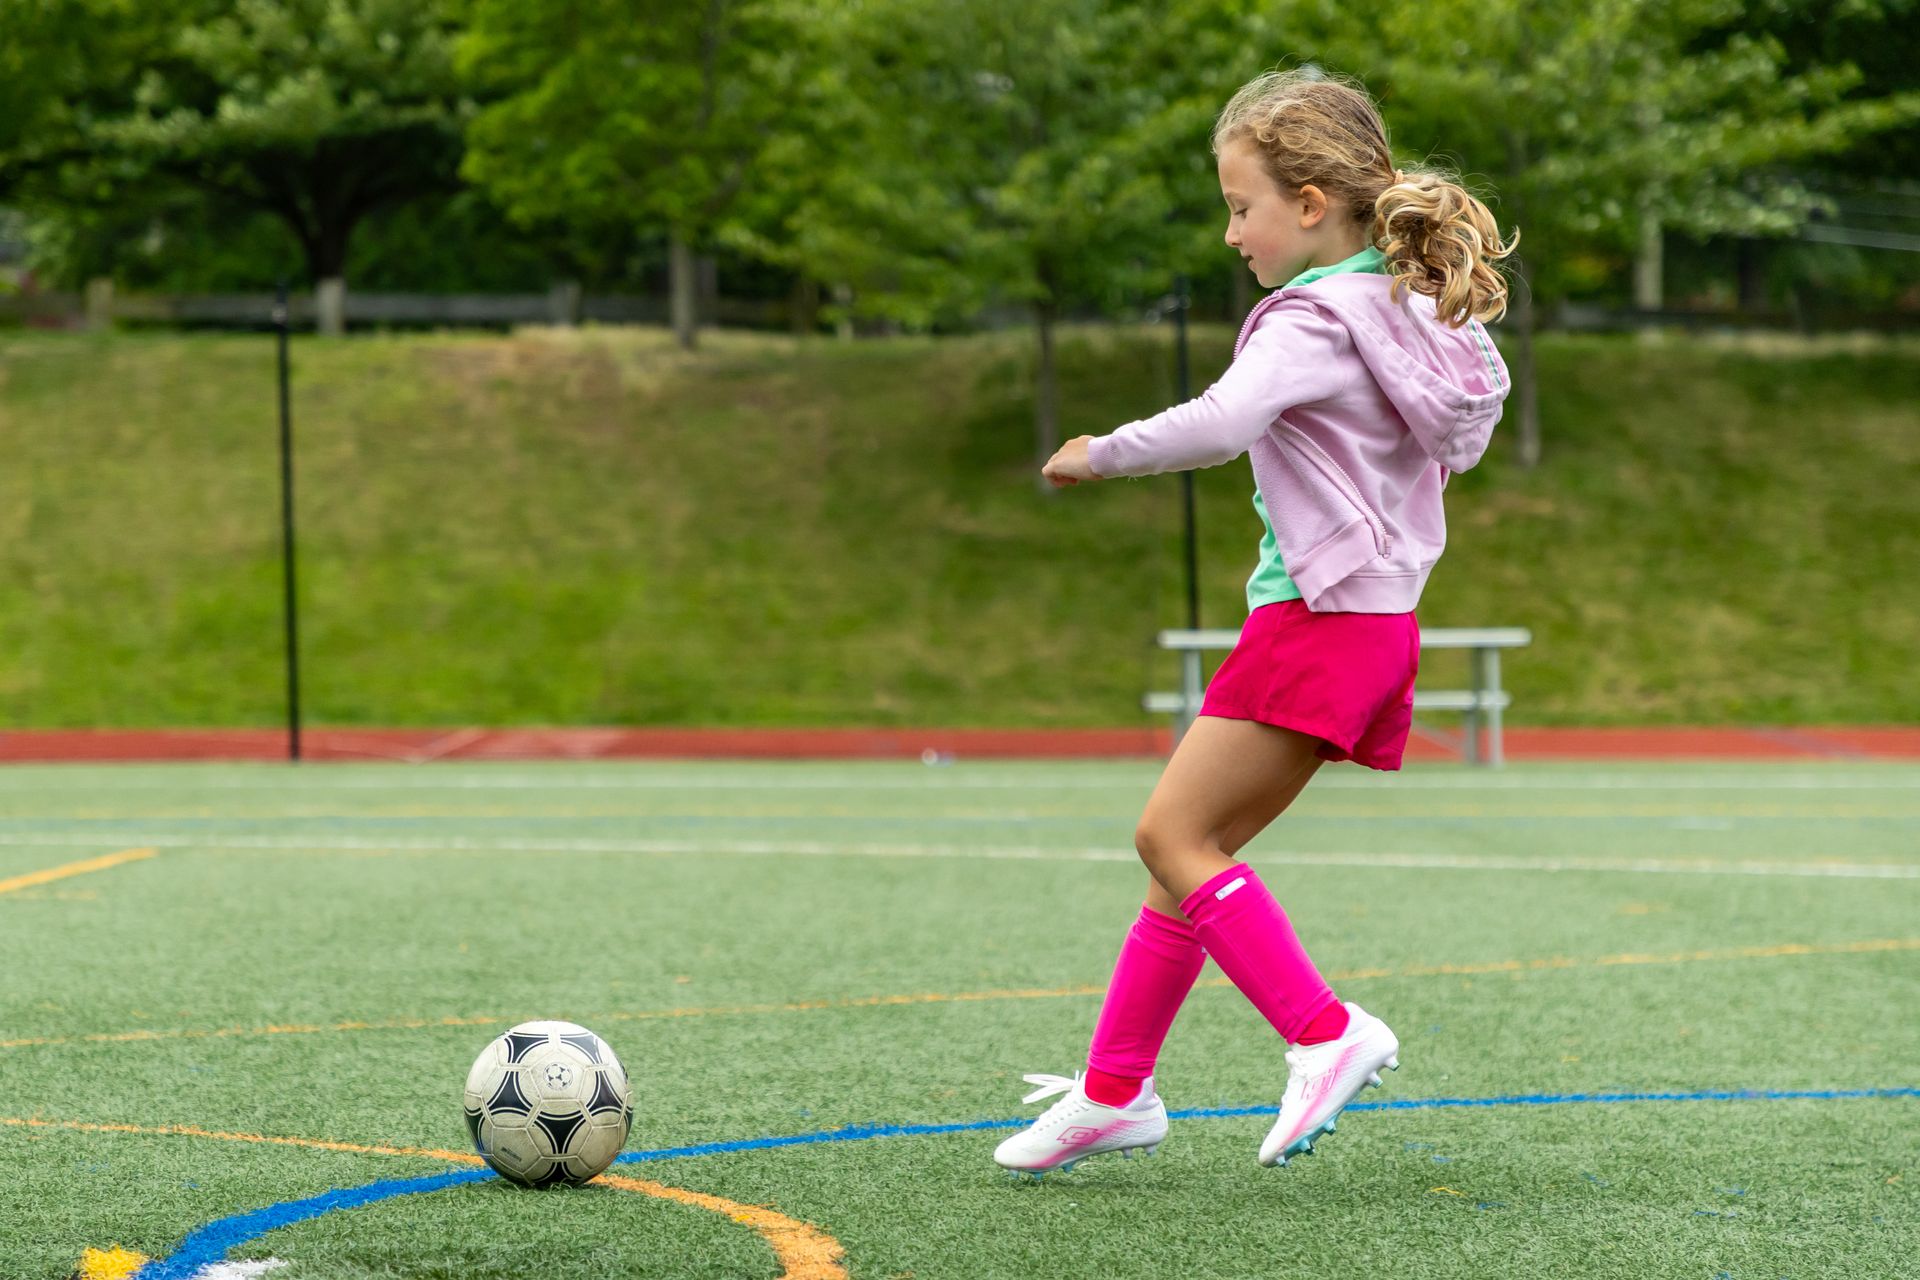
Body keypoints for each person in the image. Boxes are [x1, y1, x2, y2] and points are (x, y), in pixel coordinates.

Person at [994, 66, 1517, 1177]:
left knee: (1169, 838)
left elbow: (1225, 419)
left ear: (1313, 203)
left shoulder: (1315, 317)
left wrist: (1102, 449)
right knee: (1192, 858)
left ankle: (1324, 1030)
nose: (1233, 233)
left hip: (1314, 624)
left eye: (1243, 206)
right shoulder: (1405, 308)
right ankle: (1112, 1092)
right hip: (1375, 630)